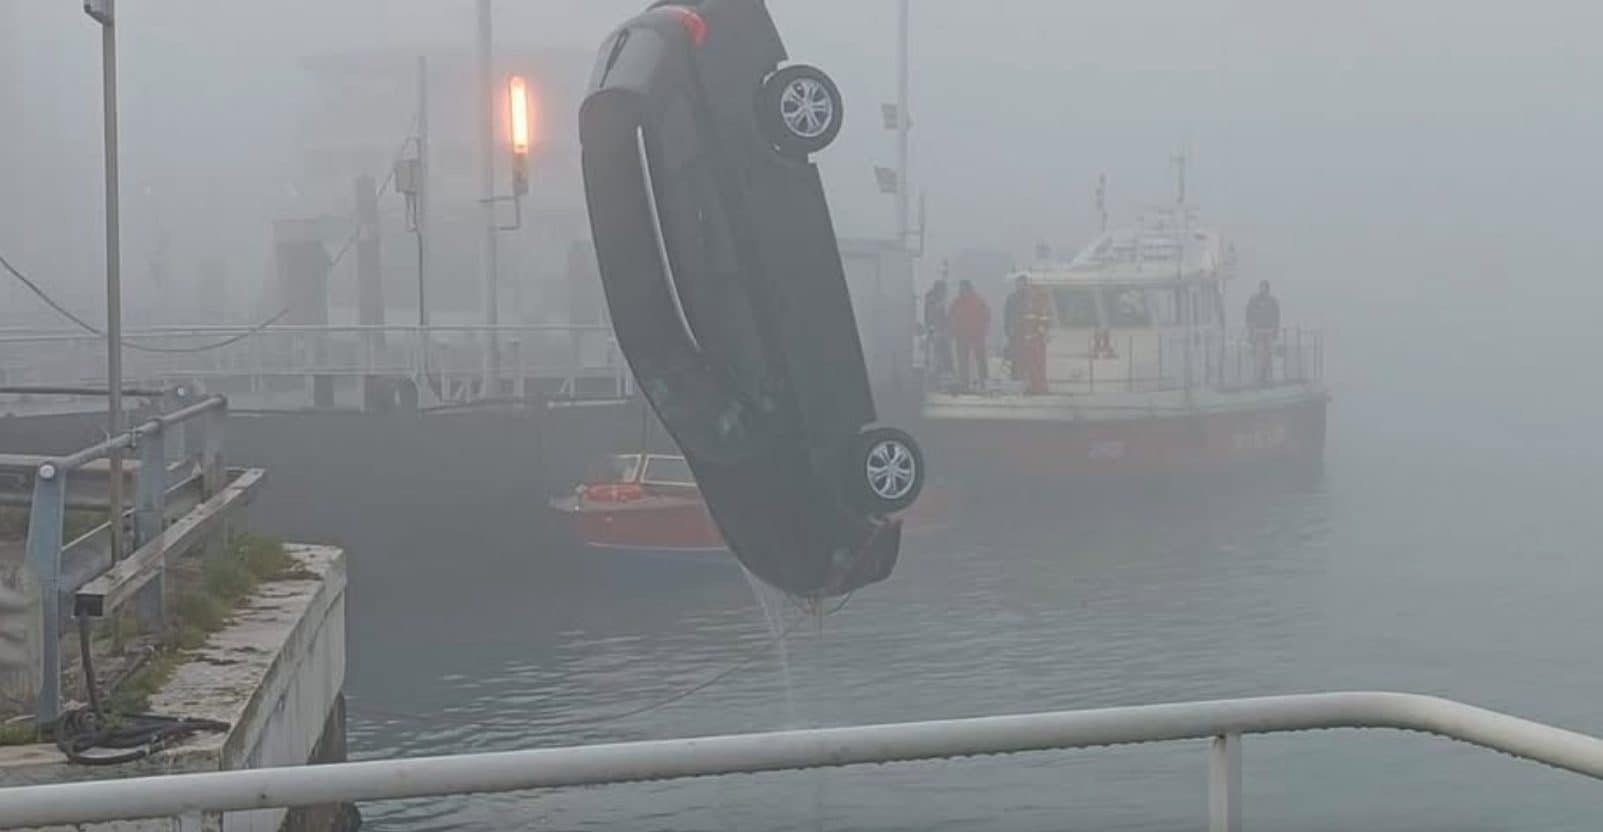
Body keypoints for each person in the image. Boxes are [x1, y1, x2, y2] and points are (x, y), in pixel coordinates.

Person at [948, 280, 991, 391]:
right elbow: (951, 318)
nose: (961, 291)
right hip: (962, 336)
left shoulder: (978, 301)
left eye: (963, 288)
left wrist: (983, 331)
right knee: (963, 361)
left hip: (977, 335)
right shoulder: (957, 302)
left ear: (968, 288)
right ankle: (964, 383)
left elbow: (986, 317)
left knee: (980, 360)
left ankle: (985, 382)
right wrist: (952, 331)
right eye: (960, 288)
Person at [1245, 280, 1281, 385]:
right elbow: (1248, 316)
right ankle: (1258, 377)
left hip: (1269, 331)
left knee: (1269, 354)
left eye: (1264, 287)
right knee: (1259, 354)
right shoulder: (1253, 301)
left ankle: (1268, 377)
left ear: (1268, 289)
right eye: (1261, 287)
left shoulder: (1273, 302)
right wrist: (1251, 331)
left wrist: (1275, 332)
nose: (1262, 289)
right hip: (1257, 331)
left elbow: (1276, 317)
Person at [1003, 274, 1032, 381]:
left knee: (1027, 357)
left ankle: (1027, 379)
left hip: (1028, 333)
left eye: (1022, 283)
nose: (1019, 286)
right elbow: (1007, 315)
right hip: (1014, 333)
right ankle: (1015, 379)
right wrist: (1007, 330)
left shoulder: (1031, 297)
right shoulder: (1011, 298)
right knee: (1015, 358)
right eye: (1018, 283)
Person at [922, 279, 952, 379]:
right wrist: (934, 328)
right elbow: (932, 315)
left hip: (937, 329)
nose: (944, 292)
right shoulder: (933, 299)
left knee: (938, 352)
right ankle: (934, 374)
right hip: (936, 329)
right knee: (936, 352)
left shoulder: (934, 299)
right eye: (943, 290)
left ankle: (937, 373)